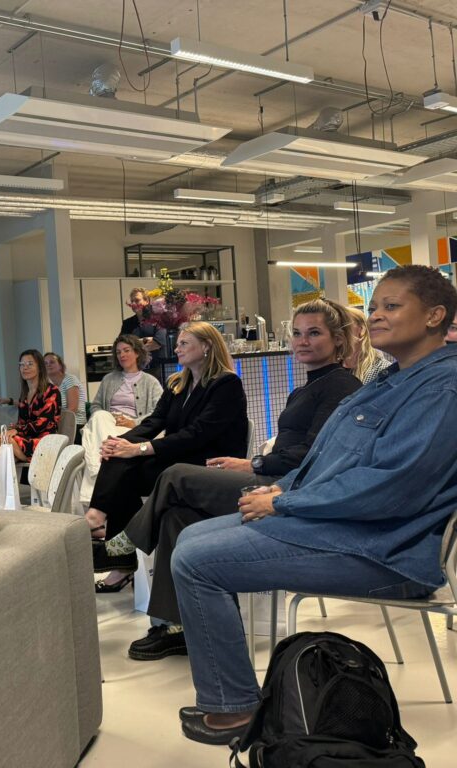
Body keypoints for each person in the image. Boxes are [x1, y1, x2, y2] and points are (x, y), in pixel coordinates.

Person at [172, 265, 457, 746]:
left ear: (434, 316)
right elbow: (332, 456)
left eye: (392, 306)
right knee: (191, 537)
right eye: (375, 307)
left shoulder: (441, 389)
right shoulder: (393, 379)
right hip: (351, 528)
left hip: (385, 549)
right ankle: (230, 695)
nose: (377, 317)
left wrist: (286, 504)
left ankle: (232, 709)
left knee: (197, 561)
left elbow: (392, 487)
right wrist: (283, 491)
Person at [112, 299, 361, 658]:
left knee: (176, 475)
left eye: (314, 333)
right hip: (273, 480)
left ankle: (122, 545)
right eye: (297, 333)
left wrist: (253, 464)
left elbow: (313, 456)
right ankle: (176, 624)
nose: (302, 341)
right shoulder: (306, 387)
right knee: (175, 516)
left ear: (338, 340)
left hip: (286, 492)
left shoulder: (339, 387)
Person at [84, 322, 247, 592]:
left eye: (184, 343)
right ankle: (101, 521)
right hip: (178, 456)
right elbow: (154, 422)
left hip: (208, 463)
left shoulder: (226, 384)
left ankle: (115, 545)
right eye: (179, 343)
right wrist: (120, 442)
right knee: (120, 459)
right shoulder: (177, 383)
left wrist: (139, 449)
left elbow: (198, 434)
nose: (177, 348)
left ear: (206, 346)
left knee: (131, 467)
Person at [80, 334, 165, 504]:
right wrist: (109, 416)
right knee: (100, 415)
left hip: (133, 428)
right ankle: (104, 470)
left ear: (137, 353)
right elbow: (96, 406)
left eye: (126, 350)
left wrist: (135, 422)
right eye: (118, 352)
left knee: (99, 429)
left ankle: (99, 478)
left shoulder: (151, 382)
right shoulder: (108, 379)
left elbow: (159, 413)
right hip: (108, 423)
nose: (122, 355)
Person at [0, 350, 61, 486]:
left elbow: (44, 423)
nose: (25, 367)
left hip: (44, 442)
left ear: (40, 367)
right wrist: (15, 428)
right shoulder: (25, 394)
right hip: (28, 440)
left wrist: (17, 430)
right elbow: (23, 423)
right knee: (1, 453)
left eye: (30, 364)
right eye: (22, 364)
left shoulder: (51, 391)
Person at [344, 305, 392, 384]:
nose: (336, 332)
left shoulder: (382, 370)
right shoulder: (332, 368)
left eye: (344, 326)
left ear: (361, 330)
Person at [43, 352, 87, 432]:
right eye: (45, 363)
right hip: (59, 425)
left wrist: (55, 424)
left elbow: (73, 409)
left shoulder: (70, 379)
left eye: (52, 362)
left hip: (75, 425)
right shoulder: (49, 387)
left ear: (60, 366)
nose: (48, 365)